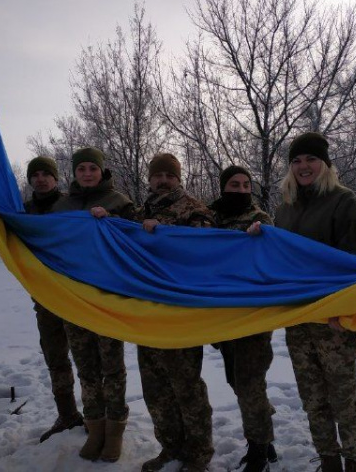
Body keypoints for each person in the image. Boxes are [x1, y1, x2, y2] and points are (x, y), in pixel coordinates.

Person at [0, 156, 85, 443]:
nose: (41, 179)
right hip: (45, 298)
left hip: (78, 295)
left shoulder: (72, 206)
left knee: (89, 361)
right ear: (30, 180)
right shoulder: (23, 213)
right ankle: (68, 415)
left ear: (56, 178)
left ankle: (98, 417)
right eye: (35, 174)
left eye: (47, 173)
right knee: (55, 358)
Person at [274, 133, 356, 472]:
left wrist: (343, 312)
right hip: (299, 320)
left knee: (342, 398)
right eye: (297, 161)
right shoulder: (284, 207)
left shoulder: (344, 202)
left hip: (335, 321)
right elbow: (278, 259)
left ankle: (354, 460)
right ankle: (329, 460)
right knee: (312, 398)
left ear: (325, 164)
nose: (303, 166)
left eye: (310, 159)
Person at [52, 147, 135, 462]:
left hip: (107, 297)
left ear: (102, 171)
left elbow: (137, 238)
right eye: (81, 168)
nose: (87, 173)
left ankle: (115, 431)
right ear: (74, 172)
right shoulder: (62, 206)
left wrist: (111, 221)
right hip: (74, 299)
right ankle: (95, 427)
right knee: (86, 366)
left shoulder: (119, 202)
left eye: (92, 168)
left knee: (112, 367)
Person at [137, 153, 215, 472]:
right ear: (150, 179)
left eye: (170, 175)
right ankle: (170, 447)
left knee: (186, 387)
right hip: (146, 312)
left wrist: (164, 228)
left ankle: (198, 454)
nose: (164, 180)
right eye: (158, 175)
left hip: (180, 313)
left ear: (178, 178)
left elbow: (203, 243)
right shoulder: (140, 212)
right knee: (155, 388)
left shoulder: (193, 208)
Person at [208, 166, 276, 472]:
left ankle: (259, 449)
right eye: (234, 184)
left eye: (246, 184)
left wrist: (256, 239)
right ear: (224, 187)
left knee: (250, 382)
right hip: (222, 315)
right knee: (237, 380)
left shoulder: (259, 218)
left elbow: (269, 258)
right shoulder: (210, 218)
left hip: (252, 315)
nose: (240, 189)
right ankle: (265, 436)